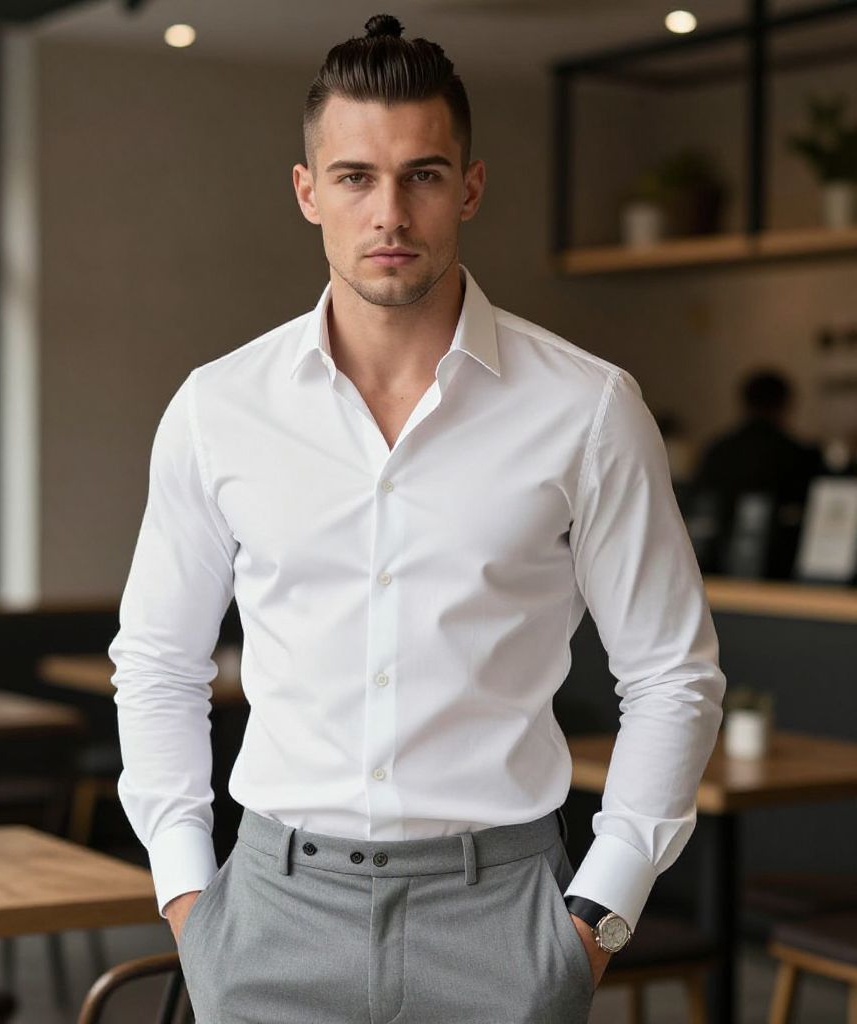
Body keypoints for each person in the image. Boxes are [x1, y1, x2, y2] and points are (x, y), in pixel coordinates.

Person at [108, 15, 726, 1024]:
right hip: (270, 917)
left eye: (422, 176)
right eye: (354, 177)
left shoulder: (588, 408)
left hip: (504, 922)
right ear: (308, 192)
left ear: (469, 188)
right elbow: (157, 663)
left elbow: (671, 674)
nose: (388, 212)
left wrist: (594, 922)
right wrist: (189, 900)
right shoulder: (218, 409)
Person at [692, 368, 825, 578]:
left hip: (714, 565)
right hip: (780, 568)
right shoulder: (799, 455)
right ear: (786, 405)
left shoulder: (718, 451)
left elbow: (700, 507)